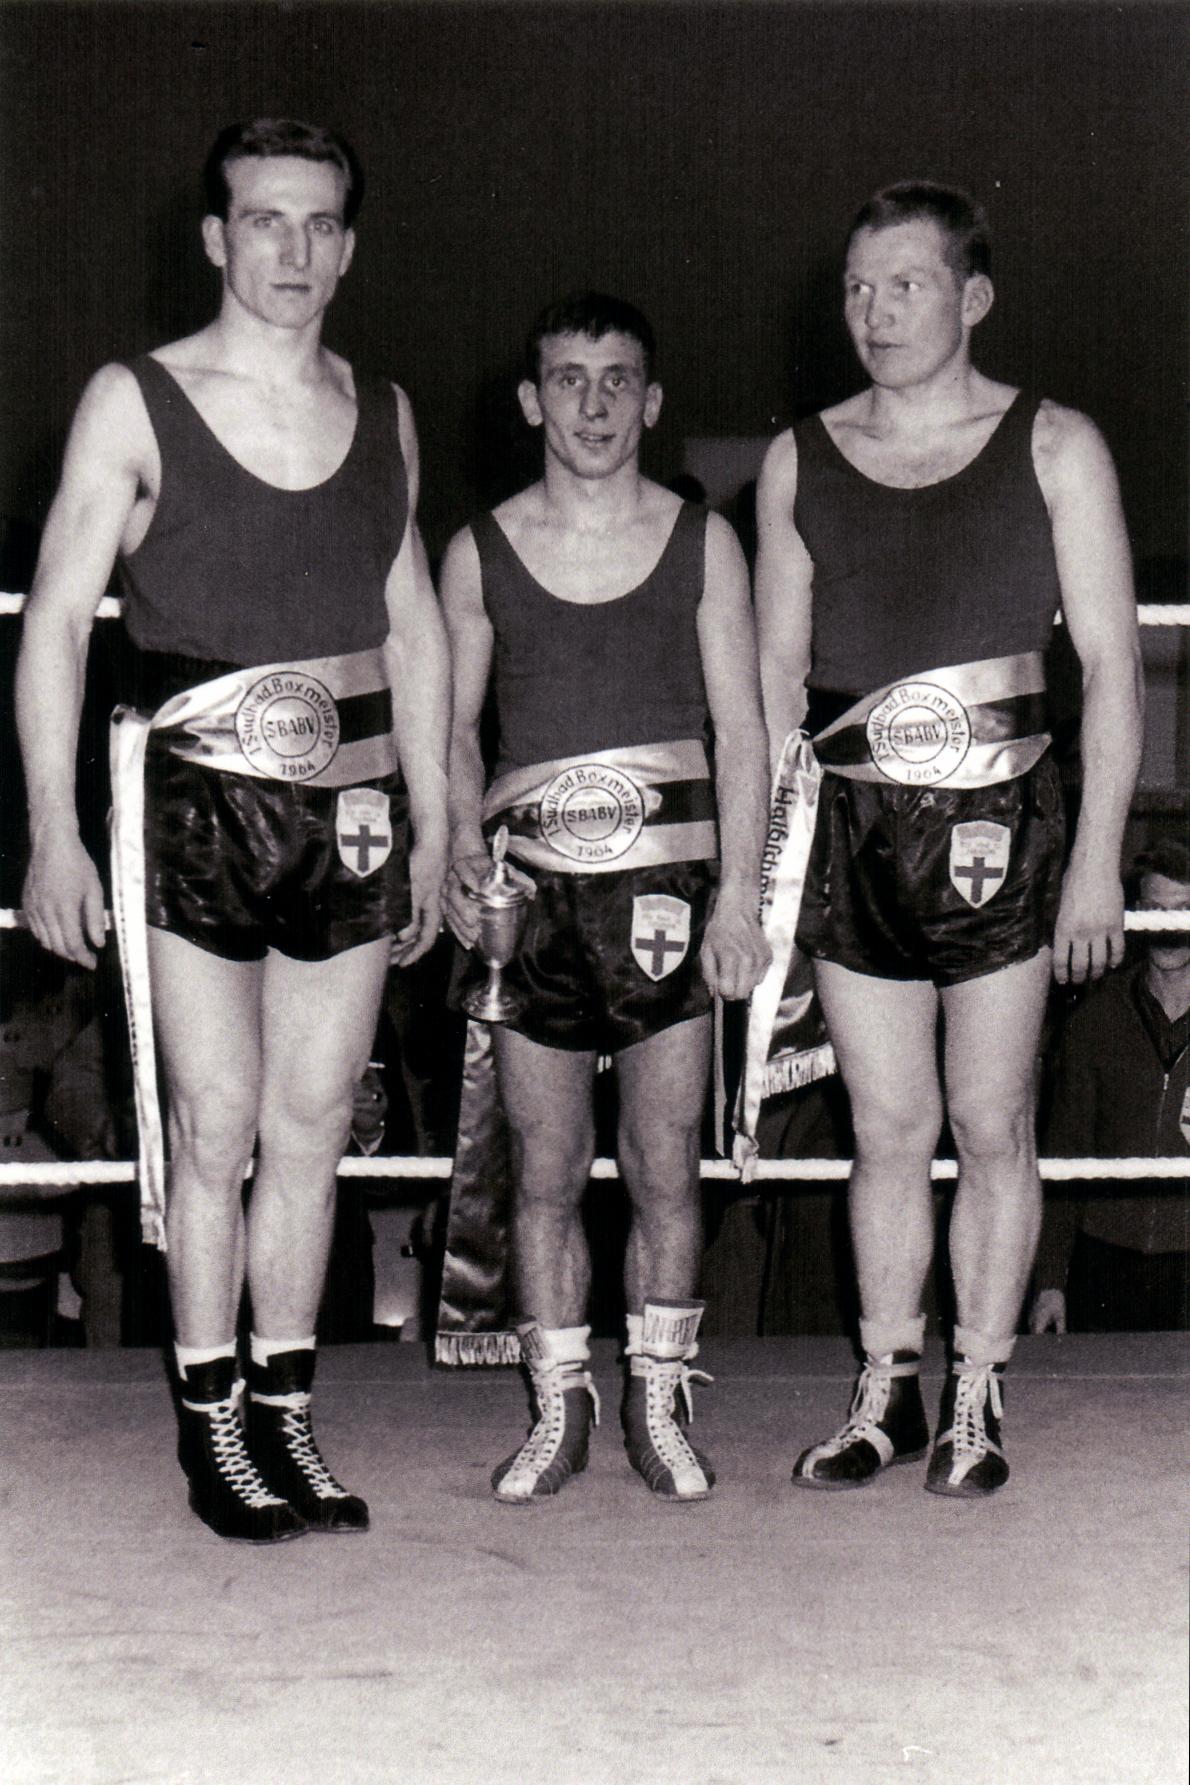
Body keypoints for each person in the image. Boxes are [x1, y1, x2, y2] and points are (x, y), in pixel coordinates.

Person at [15, 119, 450, 1541]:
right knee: (213, 1123)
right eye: (265, 219)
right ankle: (211, 1424)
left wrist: (438, 821)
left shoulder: (383, 411)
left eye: (319, 223)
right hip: (193, 803)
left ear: (349, 244)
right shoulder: (136, 401)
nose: (293, 249)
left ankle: (286, 1413)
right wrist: (55, 833)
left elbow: (414, 628)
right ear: (215, 237)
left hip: (357, 807)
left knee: (313, 1123)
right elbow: (54, 630)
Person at [755, 182, 1143, 1497]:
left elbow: (1110, 668)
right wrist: (765, 870)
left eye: (903, 285)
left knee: (987, 1117)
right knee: (883, 1124)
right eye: (855, 289)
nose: (872, 313)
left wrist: (1094, 864)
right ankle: (885, 1387)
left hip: (1002, 823)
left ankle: (976, 1386)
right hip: (851, 824)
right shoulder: (798, 457)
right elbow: (773, 683)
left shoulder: (1053, 445)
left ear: (970, 296)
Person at [442, 292, 769, 1503]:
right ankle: (556, 1406)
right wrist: (457, 854)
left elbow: (742, 732)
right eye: (569, 380)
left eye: (617, 378)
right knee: (542, 1165)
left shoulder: (703, 542)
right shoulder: (476, 549)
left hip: (667, 895)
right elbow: (449, 731)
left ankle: (659, 1400)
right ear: (531, 401)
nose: (593, 404)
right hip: (532, 900)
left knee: (662, 1160)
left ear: (652, 399)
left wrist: (737, 900)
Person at [1031, 838, 1189, 1334]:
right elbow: (1065, 1152)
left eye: (1182, 911)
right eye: (1154, 910)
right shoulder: (1097, 1018)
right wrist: (1050, 1281)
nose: (1167, 927)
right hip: (1105, 1258)